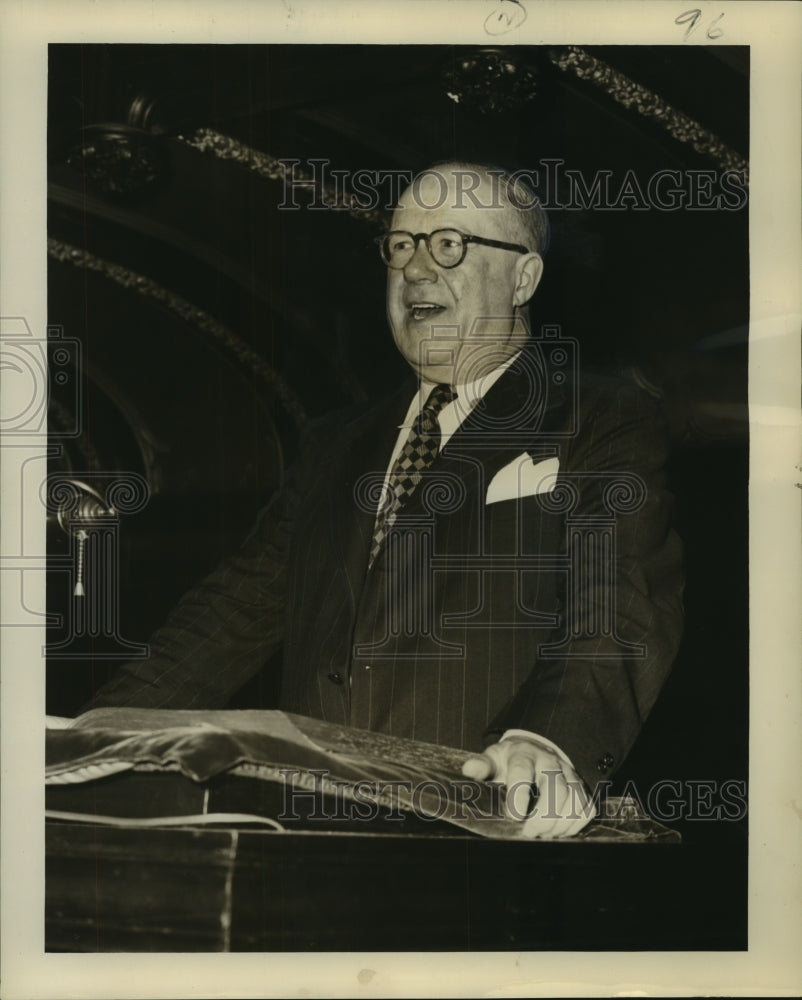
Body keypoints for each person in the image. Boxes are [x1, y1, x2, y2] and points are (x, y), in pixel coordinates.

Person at [90, 162, 683, 837]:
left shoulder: (600, 417)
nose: (417, 270)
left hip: (473, 843)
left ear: (524, 278)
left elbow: (615, 605)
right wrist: (91, 740)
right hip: (300, 840)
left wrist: (547, 743)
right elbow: (228, 613)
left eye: (450, 244)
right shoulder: (334, 443)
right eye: (401, 246)